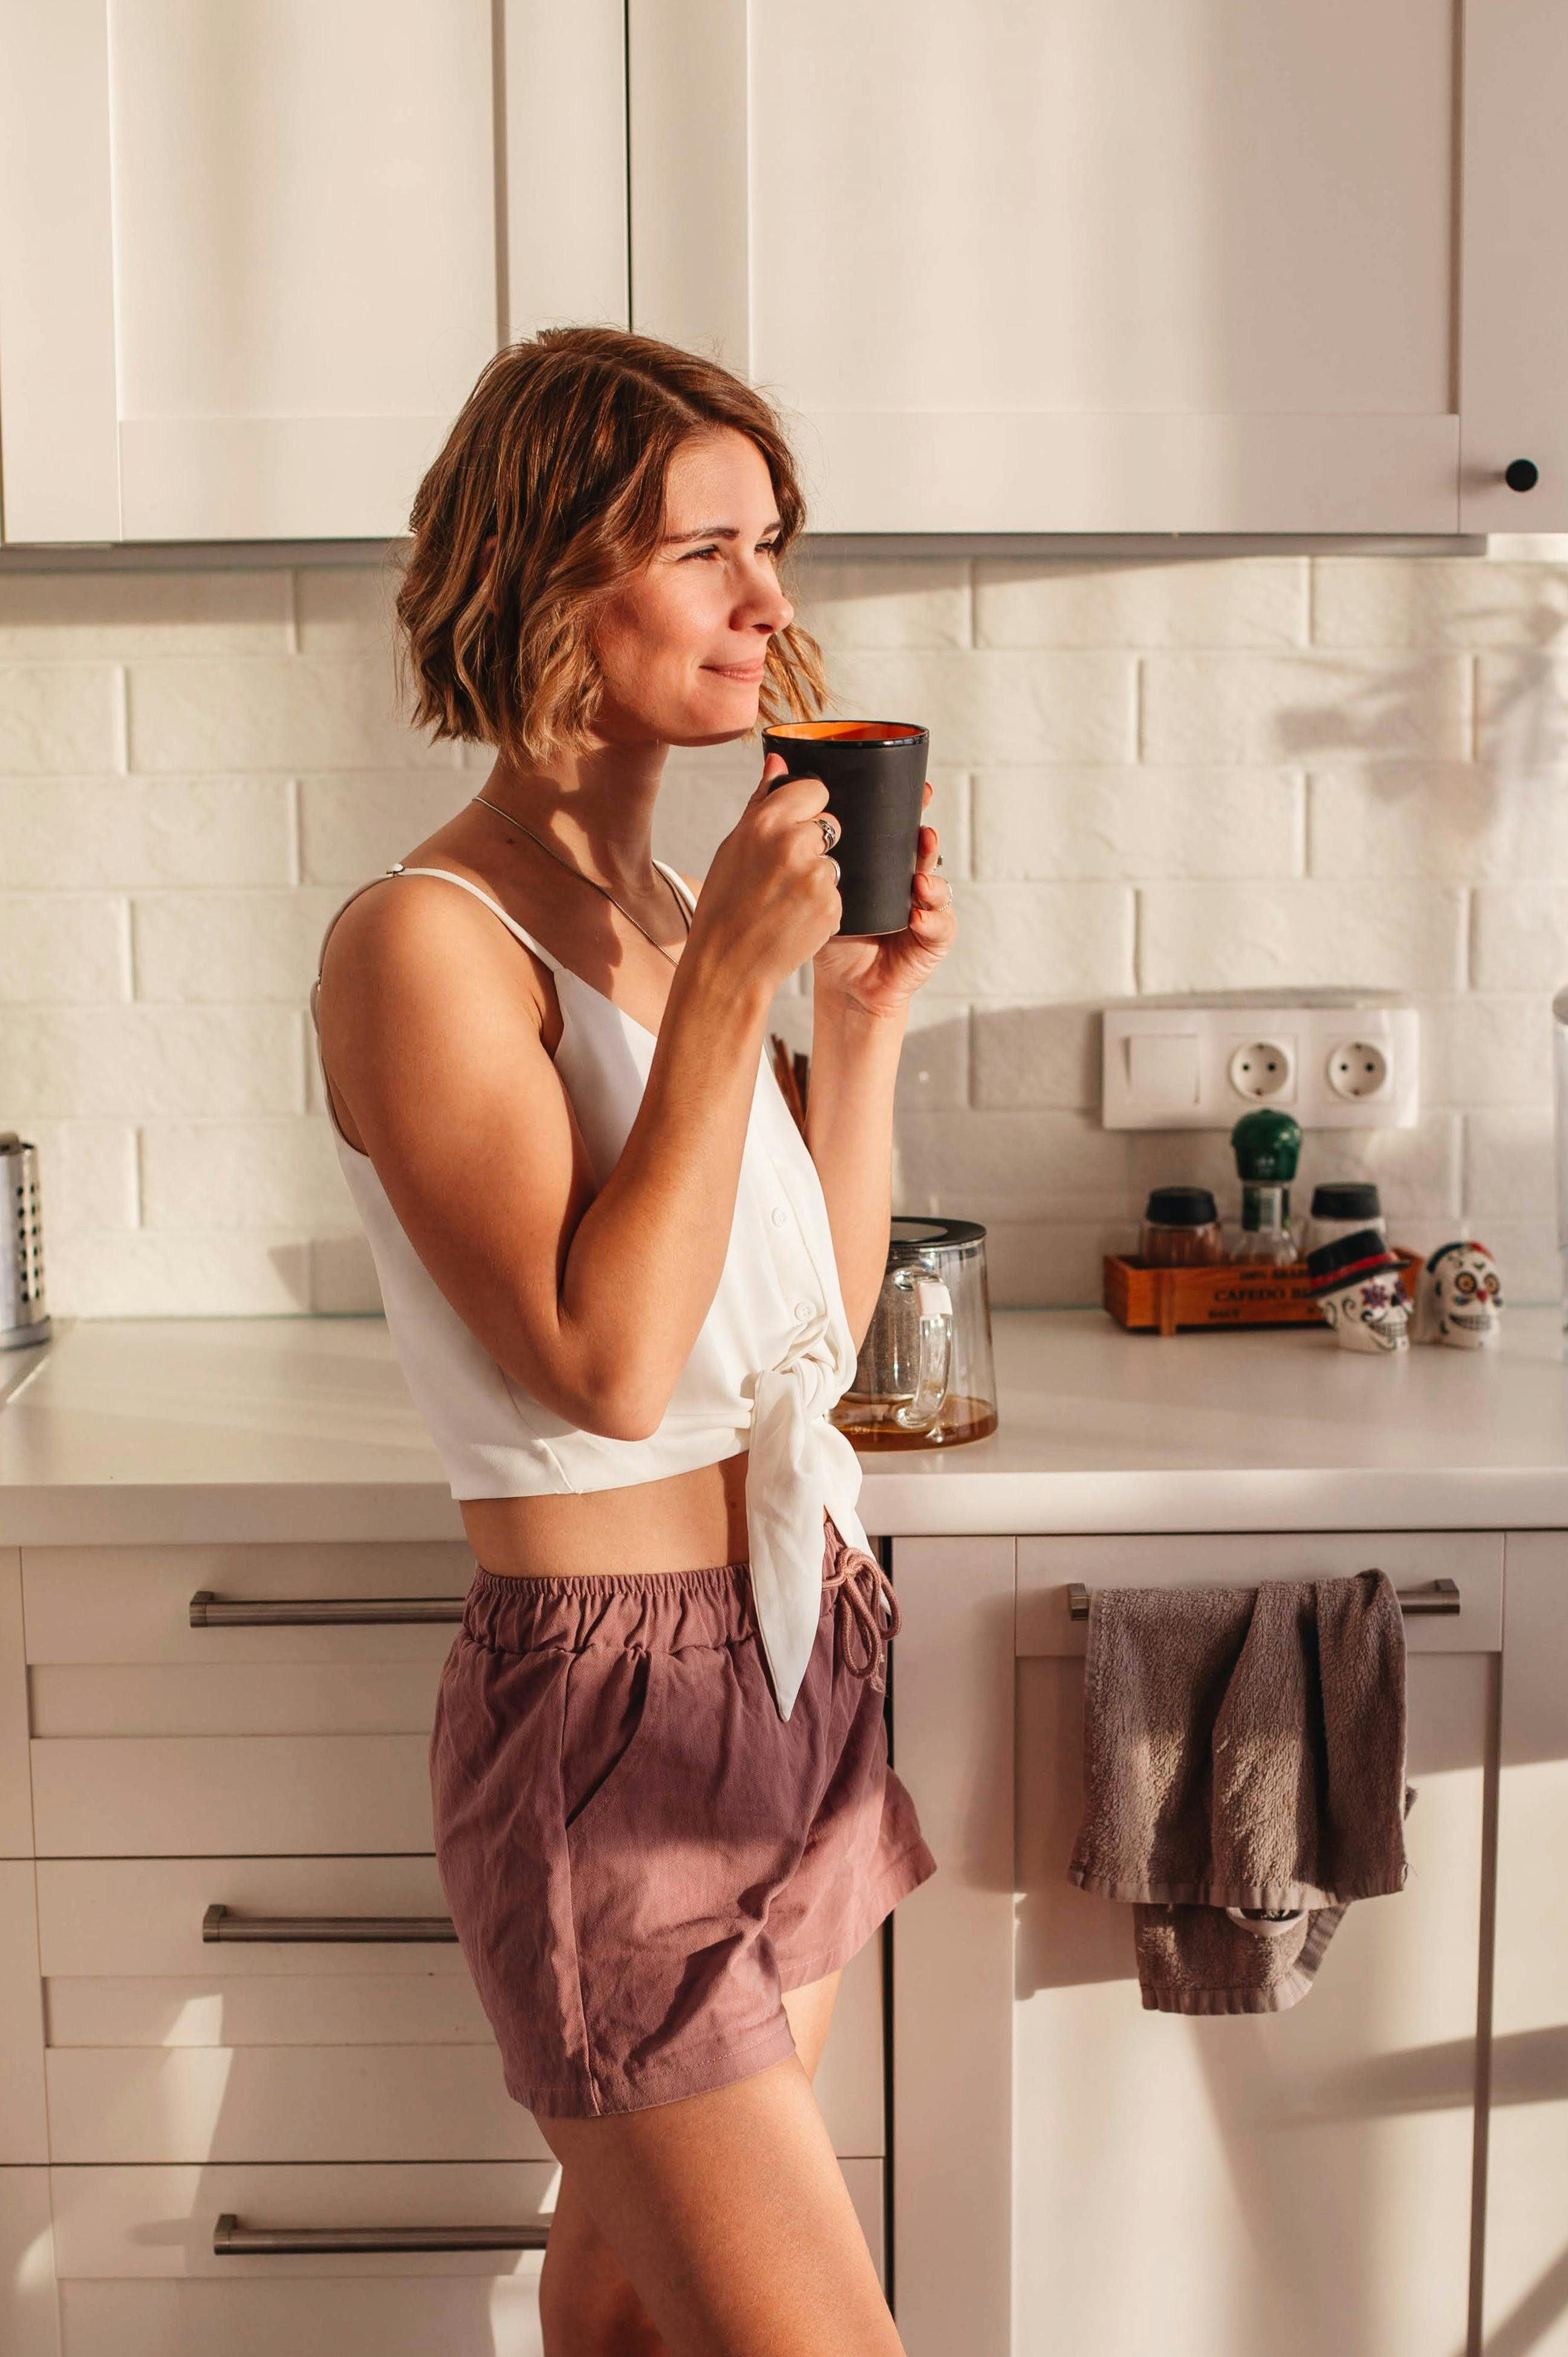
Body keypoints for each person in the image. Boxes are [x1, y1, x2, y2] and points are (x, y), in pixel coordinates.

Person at [310, 325, 956, 2356]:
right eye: (705, 550)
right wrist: (717, 1006)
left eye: (770, 543)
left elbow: (799, 1342)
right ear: (548, 582)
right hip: (610, 1728)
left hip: (794, 1654)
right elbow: (600, 1364)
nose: (769, 601)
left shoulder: (666, 903)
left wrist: (851, 1022)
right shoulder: (425, 939)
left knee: (626, 2321)